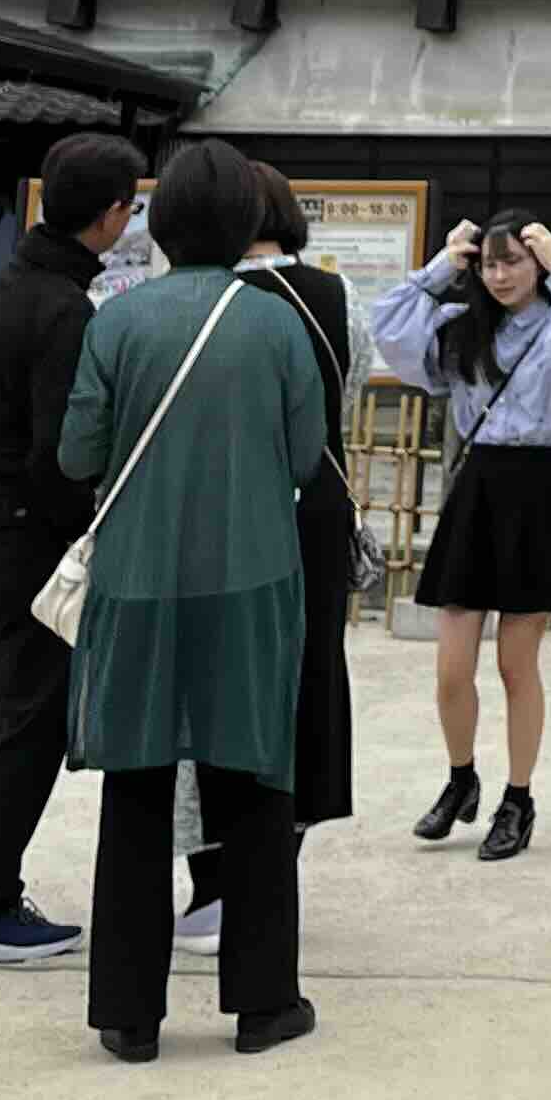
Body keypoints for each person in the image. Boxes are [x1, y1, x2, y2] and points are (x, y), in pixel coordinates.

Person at [57, 136, 326, 1062]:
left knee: (136, 784)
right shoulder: (278, 323)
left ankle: (129, 1016)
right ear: (248, 222)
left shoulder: (117, 319)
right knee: (252, 781)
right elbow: (302, 460)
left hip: (135, 579)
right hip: (253, 575)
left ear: (160, 220)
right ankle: (261, 1003)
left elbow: (78, 456)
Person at [0, 130, 139, 964]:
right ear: (114, 214)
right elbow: (64, 455)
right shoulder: (63, 307)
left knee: (0, 695)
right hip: (27, 527)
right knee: (35, 712)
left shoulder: (13, 281)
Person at [369, 214, 551, 859]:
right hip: (476, 487)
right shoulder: (462, 328)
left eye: (513, 262)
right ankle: (460, 780)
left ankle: (519, 797)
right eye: (489, 264)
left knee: (515, 665)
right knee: (452, 668)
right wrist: (440, 267)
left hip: (535, 489)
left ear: (536, 264)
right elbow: (389, 332)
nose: (500, 275)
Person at [169, 161, 361, 961]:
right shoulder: (335, 298)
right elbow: (335, 403)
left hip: (216, 511)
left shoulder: (196, 299)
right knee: (307, 674)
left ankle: (213, 887)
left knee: (208, 682)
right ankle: (273, 867)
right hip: (315, 509)